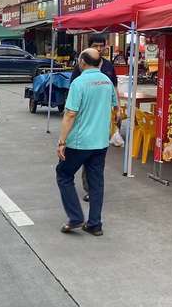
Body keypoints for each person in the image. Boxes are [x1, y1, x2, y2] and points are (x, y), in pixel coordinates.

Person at [56, 48, 117, 236]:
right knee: (96, 182)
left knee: (64, 174)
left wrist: (61, 141)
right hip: (100, 142)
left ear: (82, 62)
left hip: (80, 142)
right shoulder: (107, 81)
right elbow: (116, 108)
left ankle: (75, 217)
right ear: (99, 63)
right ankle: (95, 224)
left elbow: (71, 113)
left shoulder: (79, 83)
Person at [69, 34, 119, 202]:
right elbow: (74, 91)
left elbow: (114, 88)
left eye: (101, 46)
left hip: (102, 119)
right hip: (84, 118)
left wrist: (117, 109)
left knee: (96, 159)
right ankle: (90, 188)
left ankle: (94, 188)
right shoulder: (80, 67)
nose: (99, 49)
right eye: (96, 45)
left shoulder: (109, 66)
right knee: (86, 157)